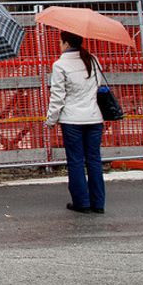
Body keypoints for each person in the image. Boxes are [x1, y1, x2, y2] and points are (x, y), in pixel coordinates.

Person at [46, 31, 106, 214]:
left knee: (76, 161)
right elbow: (98, 85)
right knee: (94, 160)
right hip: (94, 117)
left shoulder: (60, 65)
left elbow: (58, 96)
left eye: (60, 42)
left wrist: (50, 119)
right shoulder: (92, 60)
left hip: (72, 119)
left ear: (65, 43)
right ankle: (98, 203)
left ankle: (82, 202)